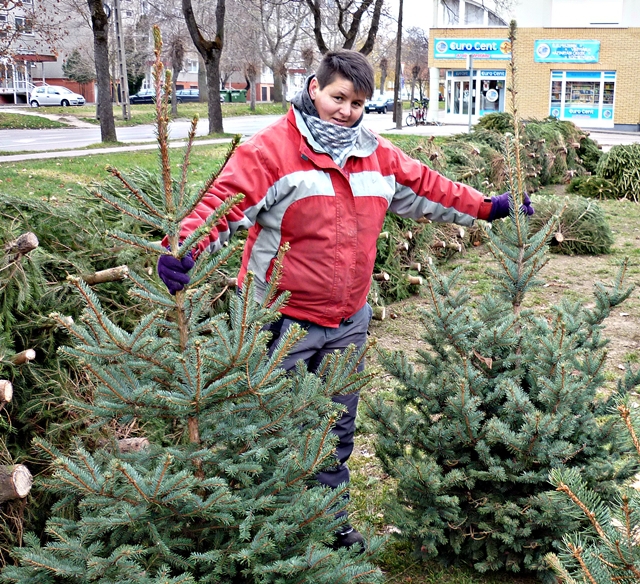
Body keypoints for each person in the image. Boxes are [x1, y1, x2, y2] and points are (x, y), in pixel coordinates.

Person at [157, 49, 533, 552]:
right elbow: (224, 203)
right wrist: (185, 247)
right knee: (273, 427)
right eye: (338, 97)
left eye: (358, 102)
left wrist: (490, 207)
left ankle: (331, 522)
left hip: (348, 319)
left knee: (336, 428)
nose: (346, 110)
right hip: (278, 318)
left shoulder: (376, 153)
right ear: (314, 88)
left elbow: (430, 189)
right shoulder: (271, 151)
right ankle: (270, 533)